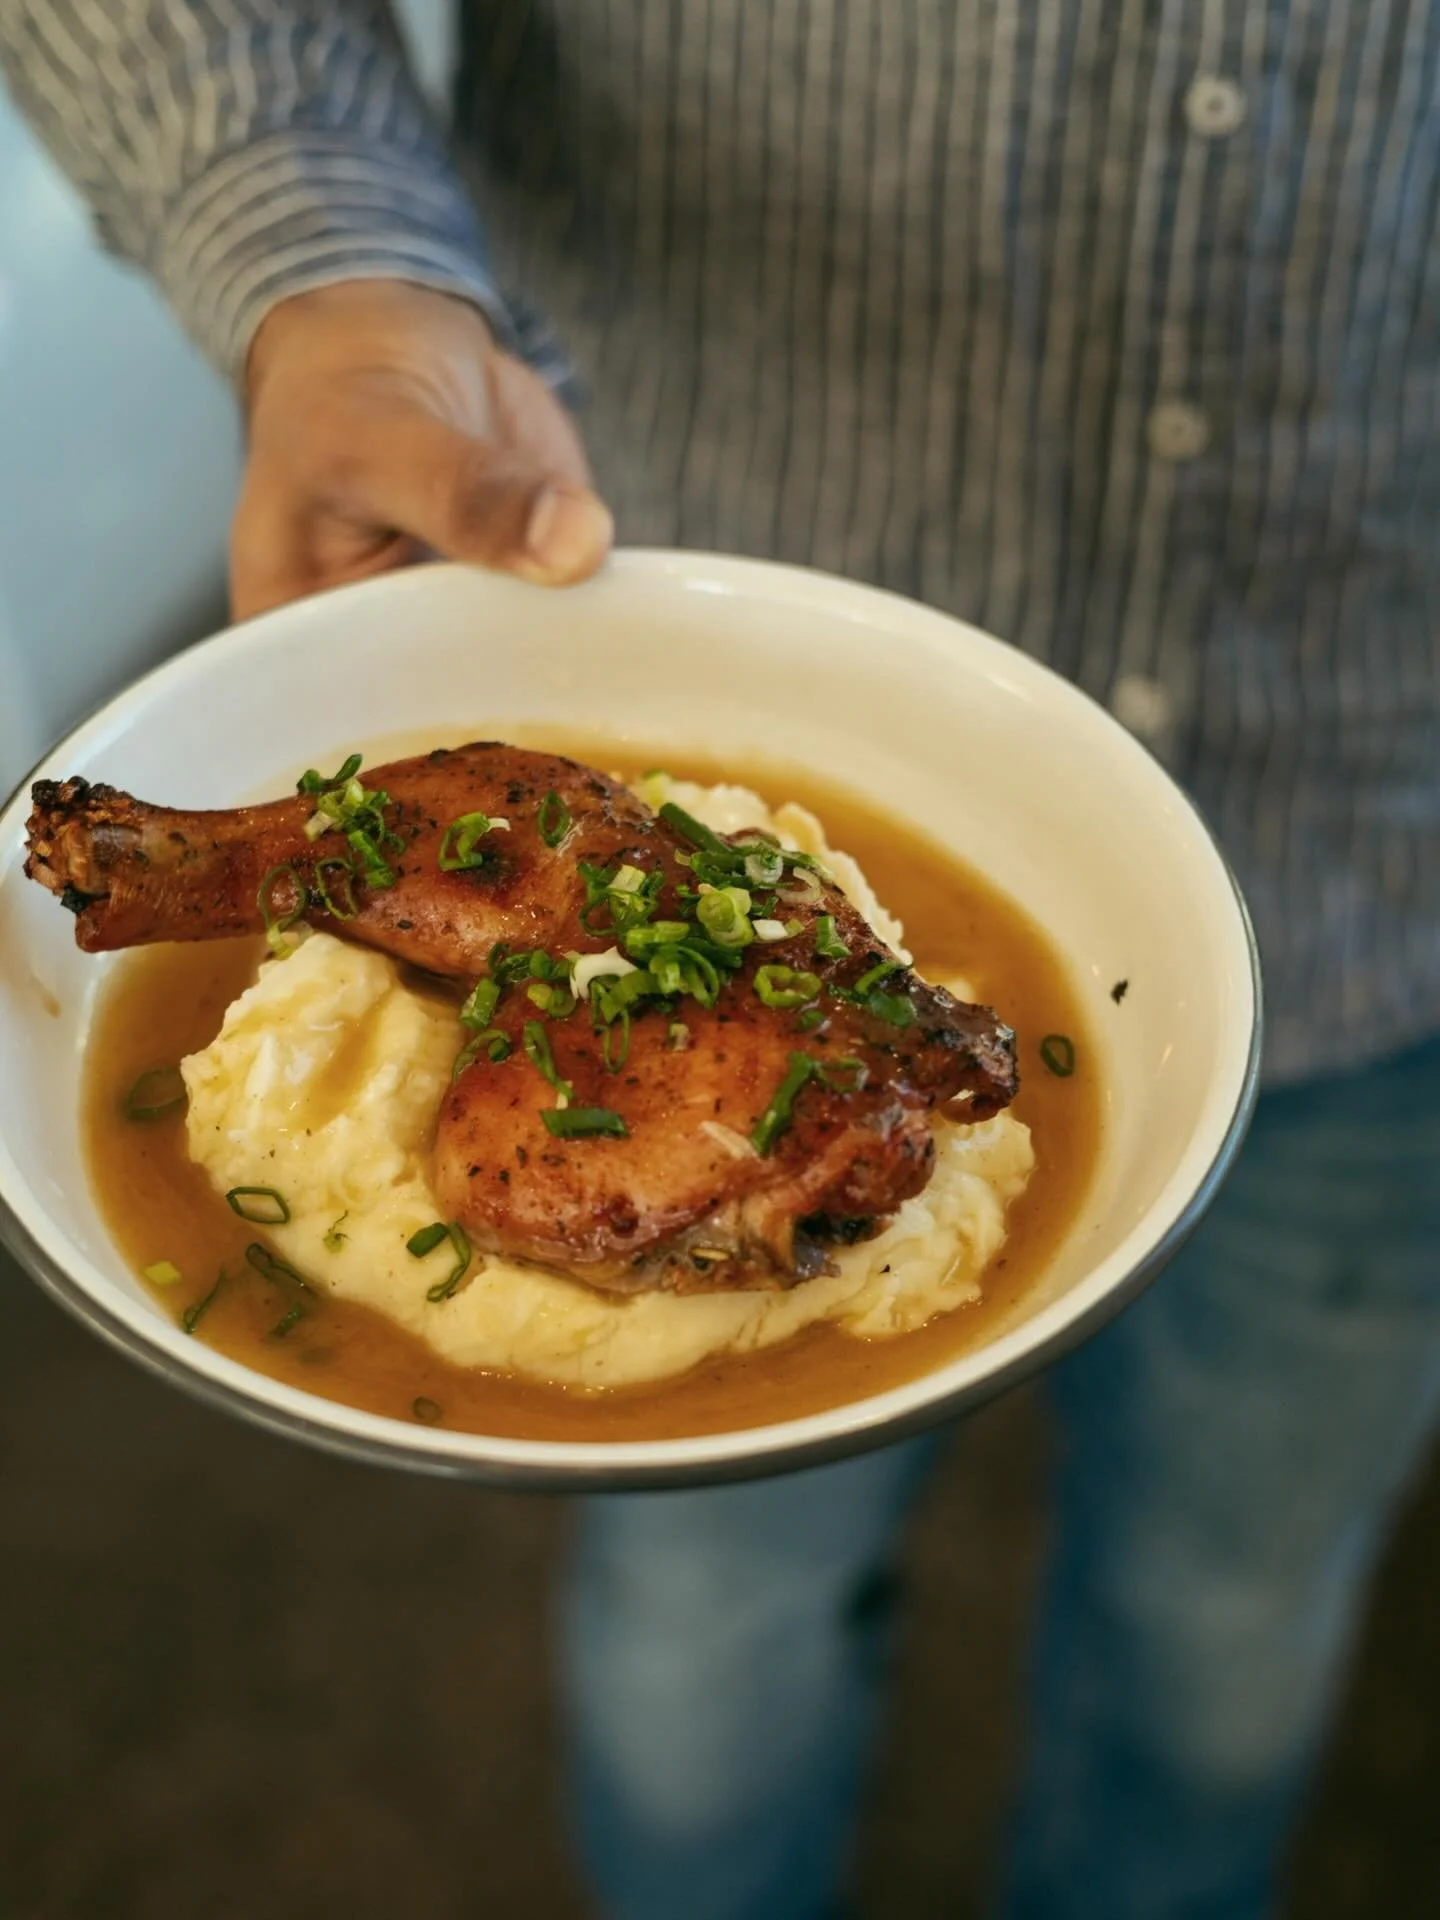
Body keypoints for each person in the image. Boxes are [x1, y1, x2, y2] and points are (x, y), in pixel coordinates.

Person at [4, 4, 1438, 1915]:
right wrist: (322, 257)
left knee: (1228, 1617)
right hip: (627, 523)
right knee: (704, 1635)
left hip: (1384, 831)